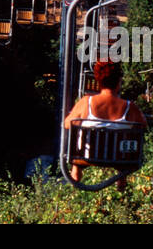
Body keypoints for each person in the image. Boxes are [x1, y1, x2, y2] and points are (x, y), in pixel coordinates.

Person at [62, 59, 147, 190]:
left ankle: (76, 172)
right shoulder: (130, 107)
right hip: (119, 158)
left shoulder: (86, 102)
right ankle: (121, 182)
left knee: (77, 135)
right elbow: (143, 125)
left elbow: (67, 124)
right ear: (119, 82)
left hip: (86, 156)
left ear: (98, 81)